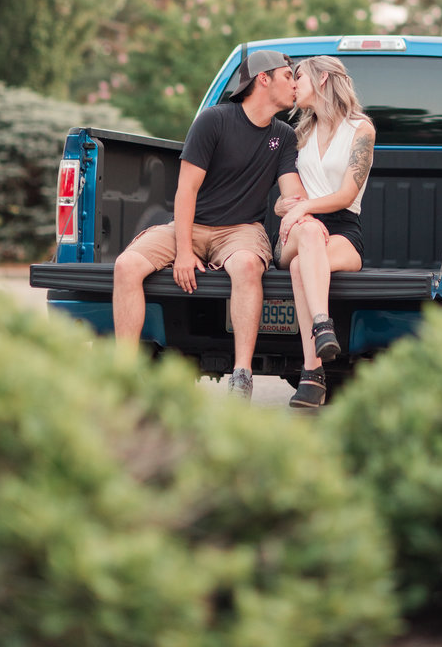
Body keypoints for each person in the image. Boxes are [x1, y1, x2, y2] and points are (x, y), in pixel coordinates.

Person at [112, 49, 305, 400]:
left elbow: (291, 190)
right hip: (192, 225)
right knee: (126, 266)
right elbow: (186, 190)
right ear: (264, 79)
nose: (295, 83)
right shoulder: (213, 121)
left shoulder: (284, 136)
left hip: (241, 230)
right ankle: (123, 375)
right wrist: (183, 252)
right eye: (289, 75)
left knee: (247, 265)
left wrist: (294, 206)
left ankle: (242, 375)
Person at [274, 56, 375, 409]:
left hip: (345, 227)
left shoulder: (361, 129)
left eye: (298, 76)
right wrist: (295, 208)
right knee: (310, 234)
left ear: (323, 79)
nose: (293, 84)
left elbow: (348, 194)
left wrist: (304, 206)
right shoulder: (296, 135)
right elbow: (284, 201)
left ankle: (313, 377)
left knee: (305, 267)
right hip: (298, 231)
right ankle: (322, 325)